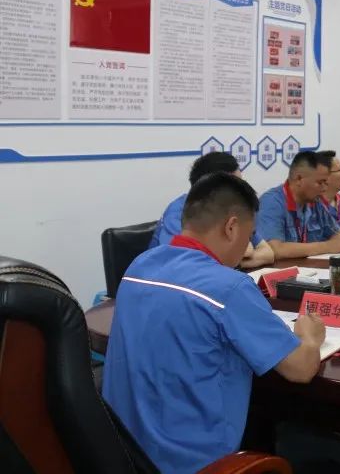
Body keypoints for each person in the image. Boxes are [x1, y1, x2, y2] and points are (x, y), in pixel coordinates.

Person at [103, 173, 327, 473]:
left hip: (122, 453)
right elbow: (300, 369)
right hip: (195, 464)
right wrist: (310, 336)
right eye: (249, 236)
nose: (247, 248)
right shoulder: (229, 287)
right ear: (231, 227)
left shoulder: (139, 267)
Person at [149, 152, 274, 269]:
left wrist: (236, 260)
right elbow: (186, 263)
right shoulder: (179, 213)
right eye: (236, 186)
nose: (242, 191)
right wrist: (239, 253)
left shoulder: (233, 210)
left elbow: (268, 253)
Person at [257, 151, 340, 260]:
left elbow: (337, 234)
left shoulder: (314, 202)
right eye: (320, 182)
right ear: (299, 179)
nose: (324, 188)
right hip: (282, 273)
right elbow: (274, 249)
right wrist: (327, 246)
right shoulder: (272, 202)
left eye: (326, 183)